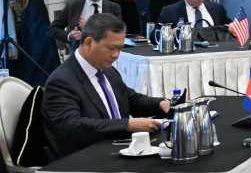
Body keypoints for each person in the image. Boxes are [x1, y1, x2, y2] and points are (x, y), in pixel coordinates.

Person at [41, 13, 172, 160]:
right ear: (89, 42)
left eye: (120, 49)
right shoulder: (61, 81)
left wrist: (161, 104)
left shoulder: (107, 70)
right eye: (111, 48)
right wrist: (127, 125)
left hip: (120, 150)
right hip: (86, 159)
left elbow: (130, 99)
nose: (116, 55)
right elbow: (73, 127)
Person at [49, 0, 121, 50]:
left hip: (105, 52)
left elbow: (118, 33)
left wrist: (89, 27)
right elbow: (52, 29)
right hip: (79, 51)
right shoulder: (73, 6)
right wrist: (69, 36)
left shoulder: (114, 8)